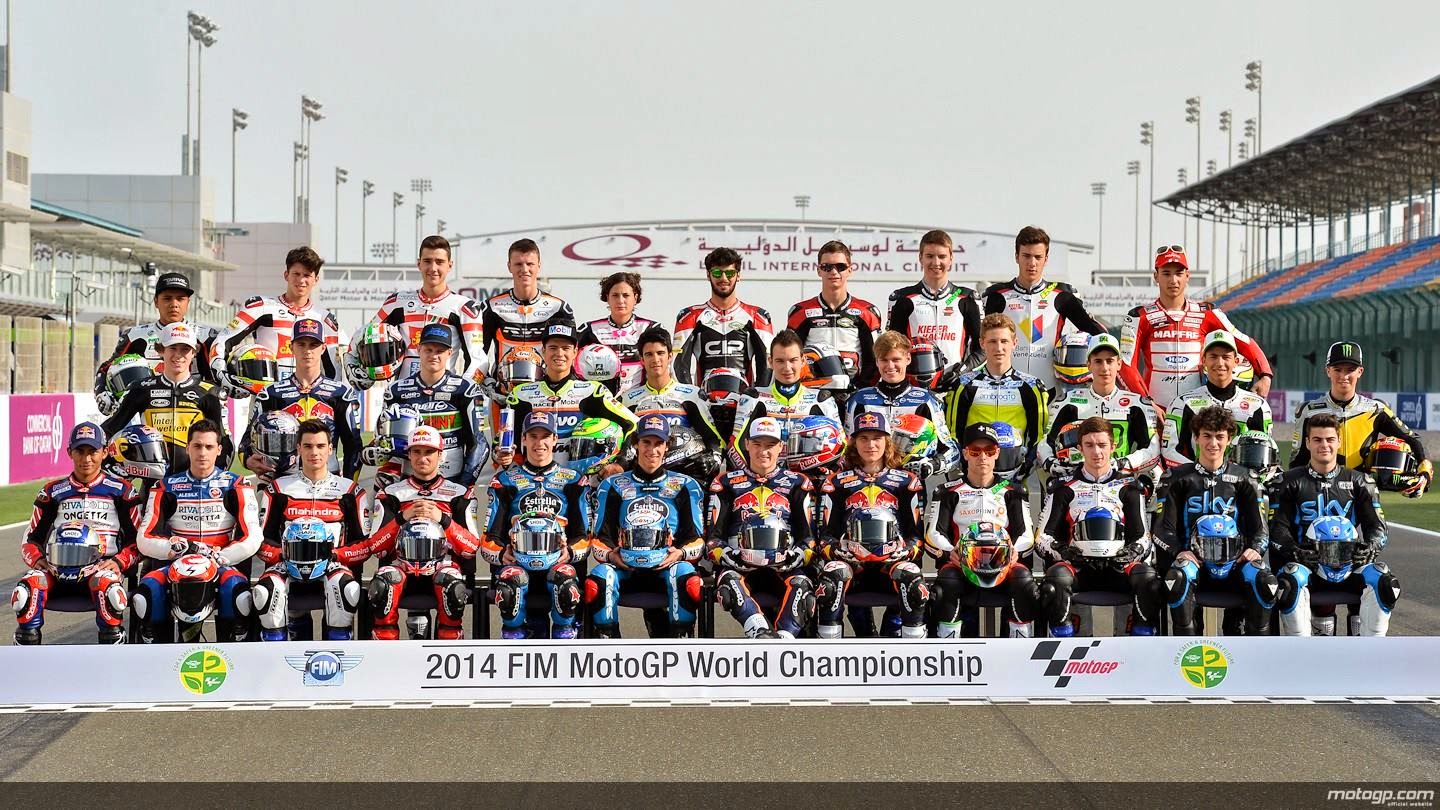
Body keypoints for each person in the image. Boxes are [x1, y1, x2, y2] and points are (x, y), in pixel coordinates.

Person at [131, 419, 261, 643]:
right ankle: (156, 655)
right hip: (177, 565)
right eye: (197, 446)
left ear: (218, 450)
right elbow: (144, 538)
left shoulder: (236, 485)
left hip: (220, 564)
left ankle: (234, 652)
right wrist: (175, 548)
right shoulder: (165, 486)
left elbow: (253, 536)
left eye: (209, 447)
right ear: (187, 448)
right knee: (147, 594)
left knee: (238, 594)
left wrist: (221, 557)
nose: (202, 453)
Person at [12, 423, 141, 645]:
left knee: (109, 591)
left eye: (93, 451)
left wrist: (120, 562)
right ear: (69, 452)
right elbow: (31, 538)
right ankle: (27, 657)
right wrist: (37, 559)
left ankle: (113, 656)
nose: (86, 459)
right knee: (26, 590)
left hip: (101, 569)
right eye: (80, 451)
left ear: (105, 452)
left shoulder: (122, 490)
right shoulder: (51, 492)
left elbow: (138, 541)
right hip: (57, 569)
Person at [1035, 416, 1163, 637]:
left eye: (1102, 445)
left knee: (1148, 579)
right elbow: (1042, 537)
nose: (1097, 452)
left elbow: (1143, 536)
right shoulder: (1063, 488)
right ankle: (1066, 647)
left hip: (1118, 566)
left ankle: (1140, 645)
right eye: (1089, 445)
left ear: (1113, 447)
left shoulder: (1130, 487)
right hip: (1079, 566)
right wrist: (1064, 552)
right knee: (1056, 580)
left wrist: (1132, 552)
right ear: (1079, 448)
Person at [1270, 413, 1396, 636]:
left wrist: (1371, 547)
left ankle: (1373, 651)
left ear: (1339, 442)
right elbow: (1277, 528)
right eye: (1317, 439)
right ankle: (1299, 652)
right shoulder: (1286, 482)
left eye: (1329, 439)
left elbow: (1377, 526)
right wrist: (1295, 552)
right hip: (1307, 565)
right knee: (1289, 583)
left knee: (1384, 581)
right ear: (1307, 443)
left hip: (1350, 565)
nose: (1324, 445)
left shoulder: (1361, 481)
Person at [1156, 407, 1275, 636]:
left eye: (1220, 436)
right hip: (1194, 563)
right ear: (1196, 438)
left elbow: (1260, 529)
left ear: (1229, 440)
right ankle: (1189, 649)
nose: (1213, 443)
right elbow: (1162, 528)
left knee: (1263, 579)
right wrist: (1179, 551)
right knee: (1179, 576)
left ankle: (1250, 648)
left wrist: (1255, 549)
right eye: (1207, 436)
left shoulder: (1246, 478)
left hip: (1235, 565)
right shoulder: (1175, 477)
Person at [587, 416, 707, 638]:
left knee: (687, 578)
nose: (652, 450)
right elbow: (600, 539)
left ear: (667, 446)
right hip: (626, 567)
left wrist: (680, 553)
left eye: (659, 443)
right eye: (646, 442)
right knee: (600, 578)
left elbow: (697, 539)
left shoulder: (686, 485)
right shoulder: (612, 485)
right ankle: (609, 646)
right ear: (635, 444)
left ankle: (681, 644)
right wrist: (611, 556)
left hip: (667, 566)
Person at [251, 420, 370, 641]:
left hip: (333, 565)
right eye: (307, 446)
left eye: (320, 446)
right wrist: (284, 556)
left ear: (331, 449)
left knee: (346, 591)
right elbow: (260, 540)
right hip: (287, 566)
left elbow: (364, 544)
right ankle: (277, 657)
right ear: (298, 449)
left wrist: (335, 555)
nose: (314, 452)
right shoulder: (278, 489)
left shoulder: (350, 491)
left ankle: (336, 655)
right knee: (265, 593)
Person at [814, 412, 927, 639]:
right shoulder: (835, 482)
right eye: (863, 438)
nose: (870, 445)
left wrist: (906, 550)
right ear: (854, 443)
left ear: (888, 442)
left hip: (891, 563)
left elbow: (916, 536)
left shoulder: (907, 482)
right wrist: (837, 550)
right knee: (831, 577)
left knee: (913, 580)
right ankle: (833, 651)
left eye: (877, 438)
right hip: (854, 565)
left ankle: (905, 647)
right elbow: (825, 536)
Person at [1119, 245, 1273, 409]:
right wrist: (1147, 404)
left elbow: (1243, 341)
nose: (1173, 280)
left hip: (1197, 412)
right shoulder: (1139, 317)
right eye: (1166, 273)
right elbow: (1126, 366)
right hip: (1155, 412)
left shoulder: (1208, 313)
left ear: (1187, 276)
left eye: (1179, 273)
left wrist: (1265, 375)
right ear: (1156, 276)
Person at [366, 426, 483, 640]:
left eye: (429, 452)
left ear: (440, 455)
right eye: (417, 452)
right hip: (401, 569)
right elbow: (376, 547)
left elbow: (471, 548)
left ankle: (448, 649)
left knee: (452, 586)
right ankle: (385, 652)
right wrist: (402, 518)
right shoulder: (390, 493)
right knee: (383, 585)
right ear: (409, 455)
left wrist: (443, 520)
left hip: (443, 568)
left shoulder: (460, 494)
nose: (422, 458)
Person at [480, 412, 591, 639]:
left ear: (555, 439)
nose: (539, 443)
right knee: (511, 583)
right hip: (519, 564)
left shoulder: (574, 479)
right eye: (533, 436)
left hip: (558, 564)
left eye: (545, 436)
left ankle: (565, 642)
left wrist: (570, 552)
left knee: (566, 582)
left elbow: (585, 535)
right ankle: (515, 643)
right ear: (523, 439)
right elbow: (490, 536)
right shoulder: (504, 481)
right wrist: (501, 555)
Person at [708, 417, 816, 639]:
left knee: (803, 586)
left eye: (770, 445)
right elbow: (713, 539)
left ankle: (785, 639)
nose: (763, 451)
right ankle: (759, 632)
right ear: (747, 444)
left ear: (781, 447)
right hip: (740, 563)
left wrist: (797, 556)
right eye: (757, 444)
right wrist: (728, 555)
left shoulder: (798, 482)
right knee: (728, 583)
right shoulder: (725, 483)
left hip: (784, 564)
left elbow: (809, 538)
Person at [926, 424, 1037, 637]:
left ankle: (1019, 646)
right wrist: (950, 552)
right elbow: (933, 533)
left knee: (1023, 579)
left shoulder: (1014, 491)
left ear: (997, 453)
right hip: (962, 566)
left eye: (989, 451)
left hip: (1002, 565)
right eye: (975, 451)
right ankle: (949, 647)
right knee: (947, 580)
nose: (983, 457)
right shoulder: (947, 491)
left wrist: (1014, 551)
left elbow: (1026, 533)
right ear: (965, 454)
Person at [1290, 340, 1431, 498]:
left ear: (1360, 371)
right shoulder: (1309, 411)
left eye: (1350, 370)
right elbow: (1297, 460)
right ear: (1328, 371)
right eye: (1337, 369)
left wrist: (1424, 473)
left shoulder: (1376, 410)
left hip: (1363, 497)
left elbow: (1413, 440)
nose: (1344, 376)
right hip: (1319, 496)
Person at [347, 235, 485, 388]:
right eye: (427, 261)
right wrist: (352, 363)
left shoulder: (464, 308)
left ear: (450, 265)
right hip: (402, 394)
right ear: (419, 264)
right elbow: (364, 335)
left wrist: (464, 390)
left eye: (439, 262)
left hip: (445, 395)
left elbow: (479, 360)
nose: (433, 268)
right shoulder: (396, 302)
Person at [982, 226, 1107, 389]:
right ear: (1016, 257)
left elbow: (1099, 335)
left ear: (1046, 259)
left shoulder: (1063, 294)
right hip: (1005, 390)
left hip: (1050, 391)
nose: (1032, 263)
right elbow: (978, 341)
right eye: (1026, 256)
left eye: (1038, 257)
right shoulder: (996, 294)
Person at [503, 321, 637, 472]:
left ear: (575, 352)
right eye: (553, 348)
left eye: (565, 348)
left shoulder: (593, 391)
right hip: (534, 481)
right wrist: (501, 455)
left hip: (580, 480)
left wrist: (621, 463)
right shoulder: (520, 394)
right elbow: (502, 443)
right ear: (543, 351)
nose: (559, 353)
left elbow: (633, 425)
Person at [210, 246, 346, 394]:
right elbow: (223, 340)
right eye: (296, 274)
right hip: (267, 397)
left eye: (307, 275)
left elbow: (333, 372)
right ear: (286, 275)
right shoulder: (261, 307)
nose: (301, 280)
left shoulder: (325, 319)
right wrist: (221, 374)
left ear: (316, 280)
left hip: (308, 399)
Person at [241, 318, 363, 482]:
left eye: (313, 345)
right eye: (301, 344)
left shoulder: (341, 393)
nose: (308, 350)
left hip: (328, 481)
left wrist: (348, 487)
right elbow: (247, 440)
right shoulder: (270, 393)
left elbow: (353, 446)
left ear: (323, 348)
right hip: (282, 481)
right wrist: (248, 460)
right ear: (291, 347)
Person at [102, 322, 232, 475]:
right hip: (154, 483)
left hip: (195, 483)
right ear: (160, 350)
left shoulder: (210, 393)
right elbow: (110, 429)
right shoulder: (140, 389)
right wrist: (88, 441)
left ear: (194, 353)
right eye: (172, 348)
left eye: (185, 349)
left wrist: (213, 478)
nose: (178, 355)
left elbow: (223, 442)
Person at [372, 323, 489, 488]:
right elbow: (384, 440)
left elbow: (479, 443)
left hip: (452, 481)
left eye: (440, 351)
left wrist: (465, 484)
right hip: (408, 482)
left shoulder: (466, 389)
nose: (434, 355)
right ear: (418, 350)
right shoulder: (396, 390)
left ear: (450, 353)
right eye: (429, 350)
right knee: (375, 498)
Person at [941, 313, 1048, 488]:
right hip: (974, 474)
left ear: (1014, 343)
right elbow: (953, 433)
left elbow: (1039, 436)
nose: (999, 348)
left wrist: (1026, 468)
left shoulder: (1032, 386)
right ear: (982, 343)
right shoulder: (964, 384)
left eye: (1004, 341)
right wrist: (964, 466)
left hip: (1015, 475)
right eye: (992, 341)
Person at [1041, 333, 1161, 484]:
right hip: (1077, 481)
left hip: (1120, 482)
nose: (1104, 368)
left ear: (1119, 364)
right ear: (1088, 364)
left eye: (1110, 361)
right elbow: (1045, 442)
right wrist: (1052, 464)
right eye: (1098, 361)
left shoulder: (1137, 404)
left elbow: (1152, 449)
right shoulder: (1067, 402)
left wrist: (1121, 464)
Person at [95, 270, 217, 415]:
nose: (174, 304)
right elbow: (108, 368)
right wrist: (101, 393)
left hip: (192, 412)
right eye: (167, 298)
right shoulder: (134, 336)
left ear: (188, 302)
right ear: (156, 302)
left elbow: (217, 377)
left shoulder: (205, 336)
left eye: (180, 299)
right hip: (146, 413)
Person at [845, 330, 961, 479]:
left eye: (896, 359)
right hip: (867, 481)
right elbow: (846, 447)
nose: (890, 366)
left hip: (910, 481)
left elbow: (951, 450)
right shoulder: (859, 399)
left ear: (908, 359)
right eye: (884, 360)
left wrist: (932, 464)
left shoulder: (926, 400)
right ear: (876, 361)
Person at [620, 326, 725, 481]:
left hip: (684, 476)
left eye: (660, 353)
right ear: (641, 359)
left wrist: (713, 458)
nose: (655, 359)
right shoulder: (628, 399)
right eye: (649, 354)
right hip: (642, 476)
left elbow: (713, 438)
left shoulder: (691, 395)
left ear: (670, 356)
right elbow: (623, 443)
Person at [728, 329, 841, 469]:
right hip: (764, 476)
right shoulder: (753, 397)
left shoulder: (821, 399)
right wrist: (753, 476)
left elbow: (841, 445)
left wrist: (828, 471)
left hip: (808, 477)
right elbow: (735, 446)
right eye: (780, 361)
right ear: (770, 362)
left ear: (803, 360)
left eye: (793, 360)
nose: (787, 368)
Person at [1161, 330, 1272, 470]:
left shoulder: (1257, 406)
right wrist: (1200, 472)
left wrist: (1241, 477)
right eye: (1213, 356)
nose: (1220, 363)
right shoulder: (1183, 403)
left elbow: (1267, 454)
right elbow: (1169, 452)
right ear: (1204, 361)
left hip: (1242, 482)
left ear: (1236, 361)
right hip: (1195, 481)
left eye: (1226, 357)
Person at [787, 240, 883, 398]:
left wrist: (860, 390)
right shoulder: (800, 312)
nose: (834, 272)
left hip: (855, 393)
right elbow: (790, 357)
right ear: (819, 270)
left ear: (850, 270)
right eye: (827, 267)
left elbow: (875, 359)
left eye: (840, 267)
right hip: (813, 395)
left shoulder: (867, 312)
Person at [480, 238, 576, 394]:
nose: (524, 269)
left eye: (530, 264)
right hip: (502, 392)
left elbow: (570, 354)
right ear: (509, 266)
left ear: (539, 266)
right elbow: (478, 354)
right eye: (518, 264)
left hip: (545, 392)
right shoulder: (491, 307)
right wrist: (485, 381)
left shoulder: (559, 308)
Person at [674, 246, 774, 387]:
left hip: (744, 397)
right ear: (708, 275)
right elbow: (678, 364)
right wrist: (690, 396)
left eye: (730, 273)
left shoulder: (758, 316)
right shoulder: (689, 316)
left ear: (738, 276)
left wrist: (757, 395)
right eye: (717, 273)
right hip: (704, 397)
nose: (723, 278)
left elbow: (768, 364)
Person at [886, 229, 982, 372]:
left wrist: (961, 370)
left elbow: (983, 347)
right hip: (915, 382)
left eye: (942, 256)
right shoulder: (902, 298)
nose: (936, 262)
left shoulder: (967, 298)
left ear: (951, 259)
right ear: (920, 258)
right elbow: (891, 347)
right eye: (929, 256)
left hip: (956, 381)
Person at [577, 271, 658, 396]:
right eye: (615, 295)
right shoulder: (589, 330)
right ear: (607, 297)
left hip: (640, 400)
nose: (620, 301)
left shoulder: (650, 328)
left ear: (635, 297)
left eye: (626, 295)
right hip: (600, 401)